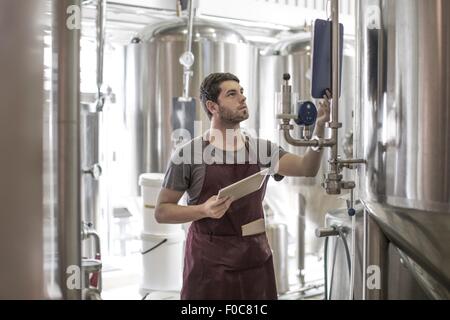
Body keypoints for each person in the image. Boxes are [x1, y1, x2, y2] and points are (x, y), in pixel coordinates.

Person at [155, 72, 331, 300]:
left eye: (242, 92)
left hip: (255, 263)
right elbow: (162, 211)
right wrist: (202, 210)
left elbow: (307, 168)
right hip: (209, 269)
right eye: (232, 94)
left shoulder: (262, 150)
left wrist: (320, 127)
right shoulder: (189, 155)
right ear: (212, 106)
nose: (242, 98)